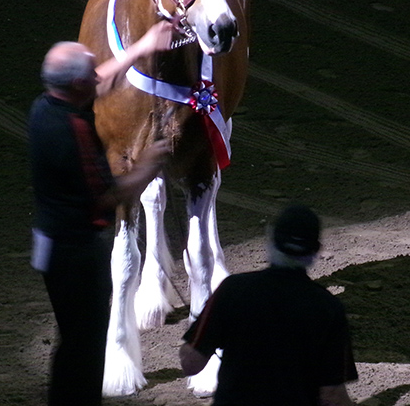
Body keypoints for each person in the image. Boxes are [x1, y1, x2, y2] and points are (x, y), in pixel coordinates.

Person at [28, 21, 173, 406]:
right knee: (88, 345)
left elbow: (99, 80)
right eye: (90, 73)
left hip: (50, 244)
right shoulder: (70, 133)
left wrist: (141, 47)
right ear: (78, 86)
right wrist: (149, 164)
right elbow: (109, 197)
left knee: (71, 339)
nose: (98, 76)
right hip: (76, 254)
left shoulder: (46, 106)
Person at [180, 205, 358, 406]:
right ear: (315, 250)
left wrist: (203, 331)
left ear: (271, 240)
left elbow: (191, 363)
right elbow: (332, 396)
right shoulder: (329, 307)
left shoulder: (233, 290)